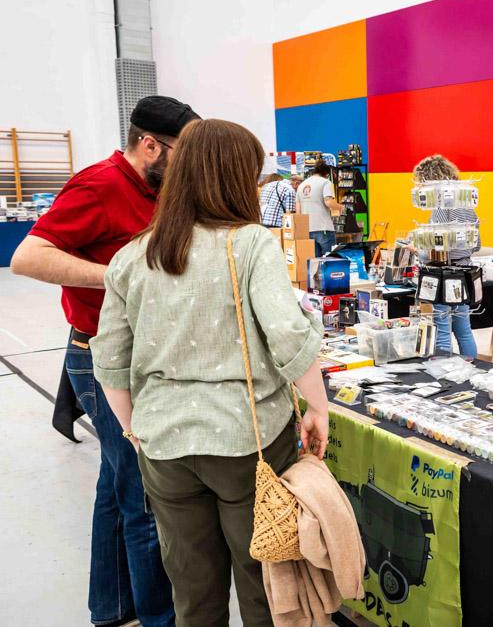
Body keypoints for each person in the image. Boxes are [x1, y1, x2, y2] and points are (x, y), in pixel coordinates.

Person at [89, 119, 331, 627]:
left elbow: (110, 357)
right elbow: (288, 335)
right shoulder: (250, 244)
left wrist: (133, 429)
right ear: (238, 176)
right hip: (248, 439)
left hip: (164, 444)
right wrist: (317, 406)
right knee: (267, 580)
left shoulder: (134, 254)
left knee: (192, 588)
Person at [10, 95, 198, 627]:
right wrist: (119, 276)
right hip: (103, 361)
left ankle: (112, 606)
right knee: (144, 496)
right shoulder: (99, 186)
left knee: (116, 486)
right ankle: (159, 619)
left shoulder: (155, 190)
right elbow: (27, 256)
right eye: (182, 153)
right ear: (150, 146)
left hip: (138, 354)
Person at [413, 154, 480, 359]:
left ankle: (445, 372)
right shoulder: (467, 204)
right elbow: (476, 245)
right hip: (465, 272)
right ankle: (472, 368)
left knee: (442, 331)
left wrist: (417, 249)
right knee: (464, 331)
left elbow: (437, 249)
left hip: (444, 276)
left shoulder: (441, 206)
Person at [296, 160, 343, 256]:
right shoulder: (325, 182)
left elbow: (298, 210)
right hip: (323, 228)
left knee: (315, 261)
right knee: (330, 259)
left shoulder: (301, 185)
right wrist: (341, 207)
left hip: (308, 230)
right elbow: (328, 202)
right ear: (326, 174)